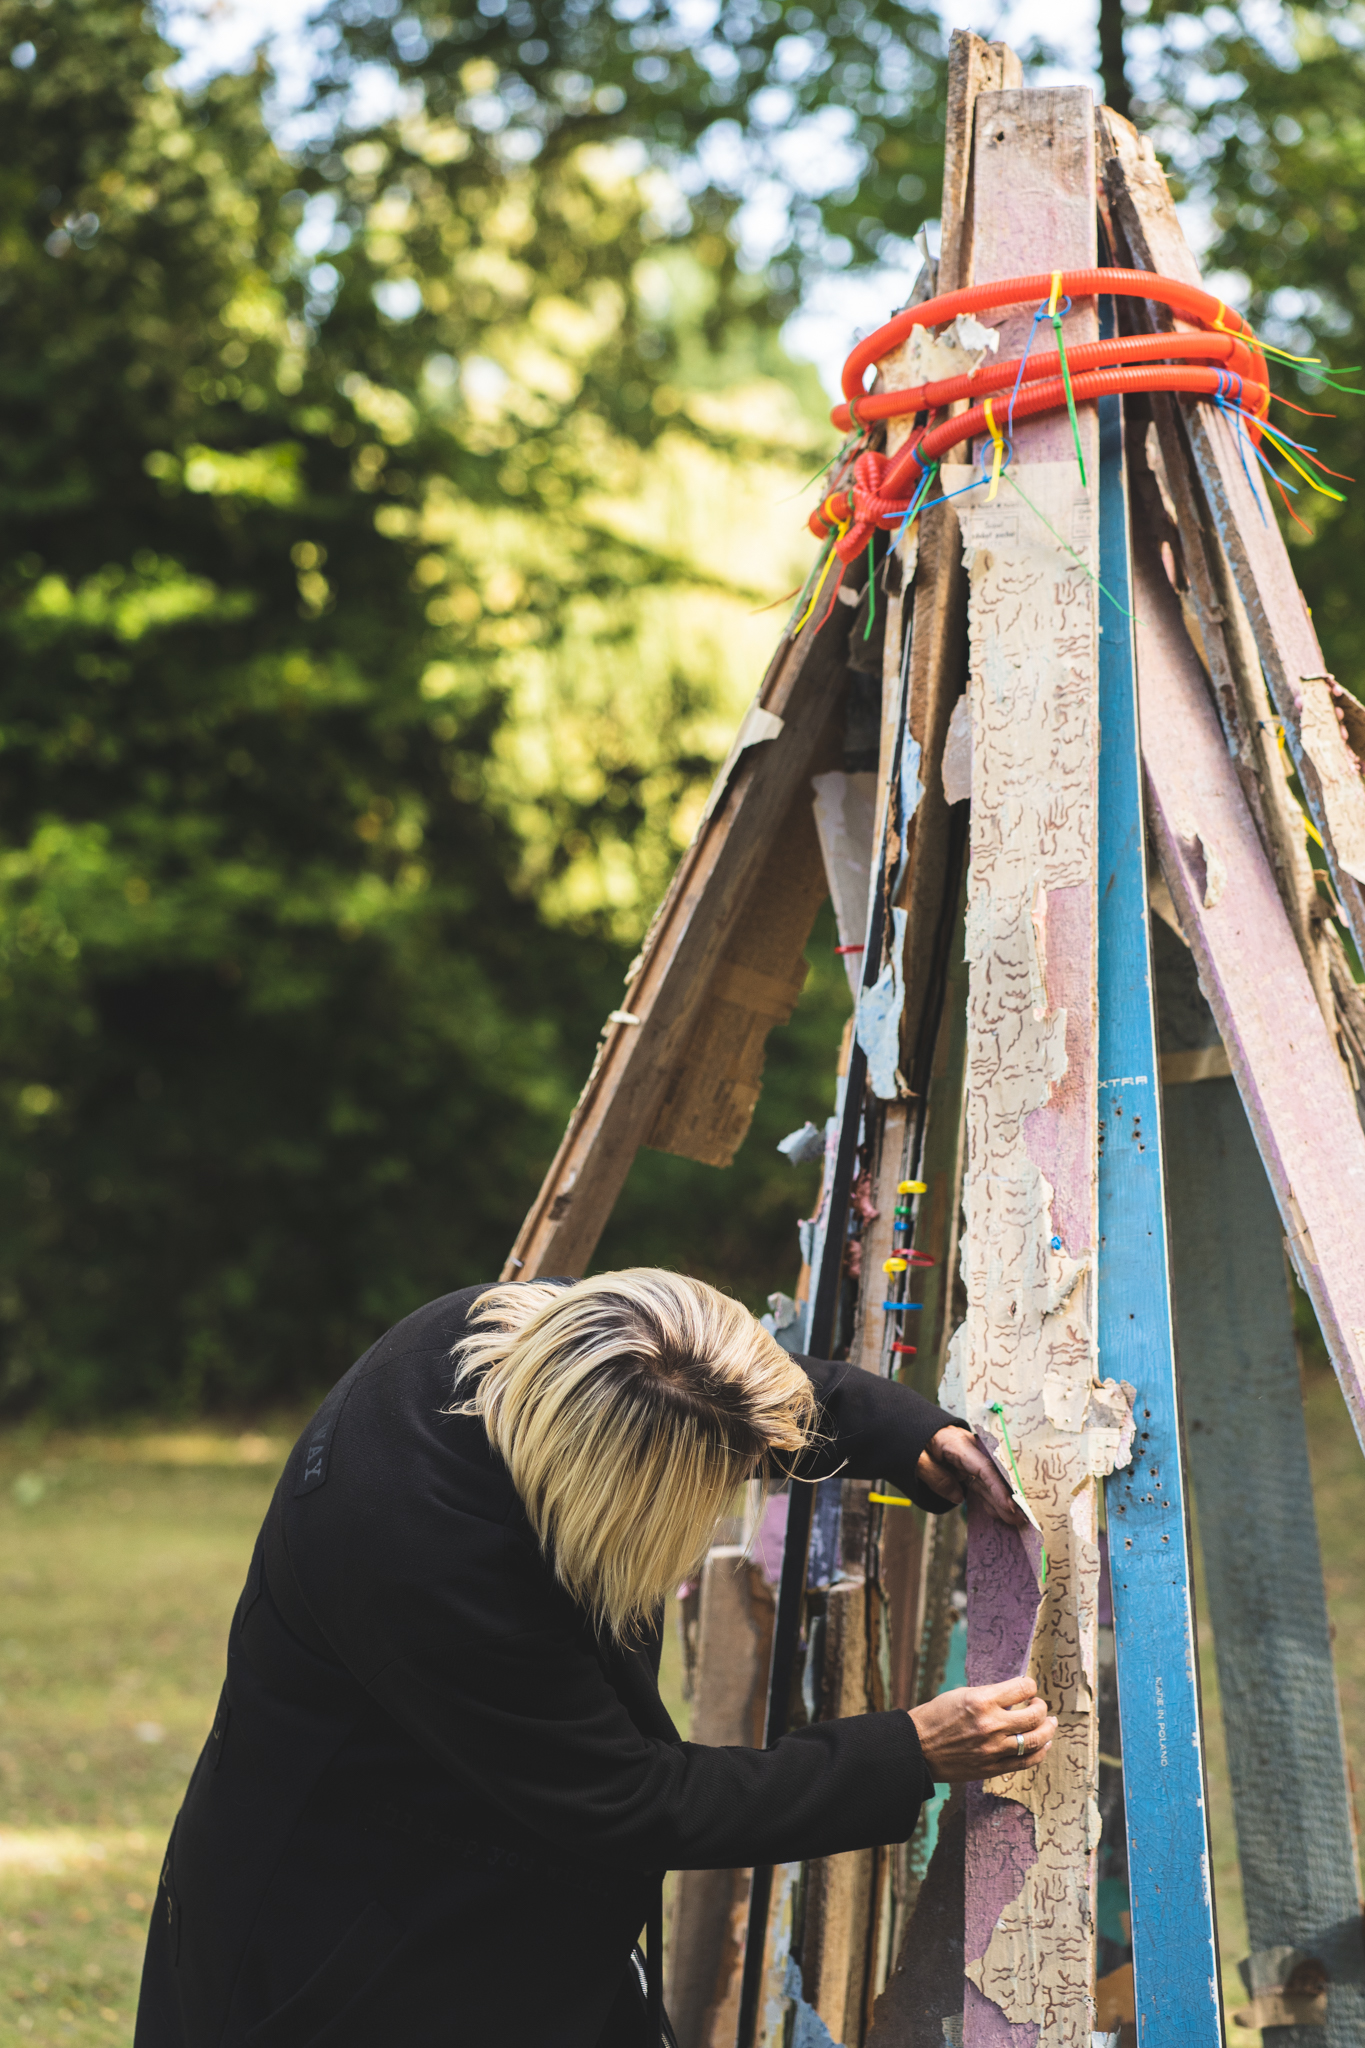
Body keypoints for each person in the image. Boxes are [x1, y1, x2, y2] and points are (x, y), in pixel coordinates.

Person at [134, 1270, 1054, 2048]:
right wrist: (906, 1751)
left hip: (491, 1886)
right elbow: (628, 1797)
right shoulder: (424, 1561)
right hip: (357, 1941)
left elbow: (694, 1387)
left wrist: (898, 1431)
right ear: (620, 1493)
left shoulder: (550, 1339)